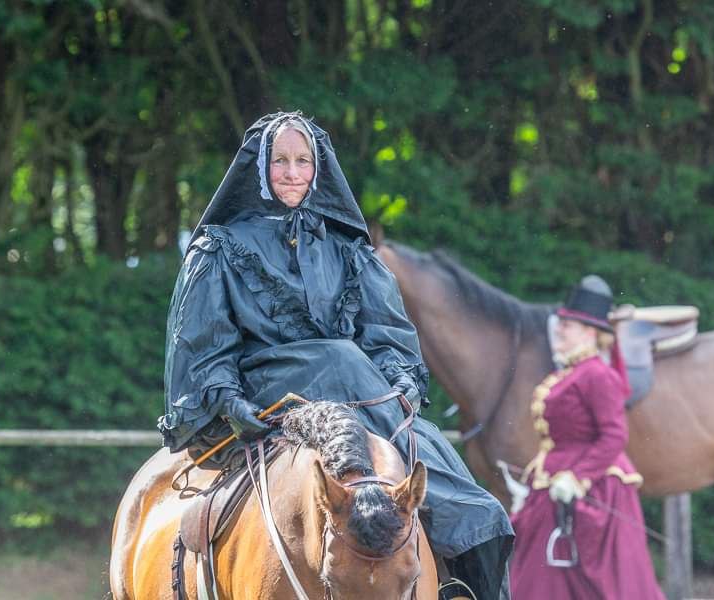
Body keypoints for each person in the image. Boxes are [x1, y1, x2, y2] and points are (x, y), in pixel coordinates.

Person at [157, 112, 513, 599]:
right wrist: (226, 399)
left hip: (365, 399)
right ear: (259, 169)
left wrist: (403, 382)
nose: (291, 171)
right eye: (280, 160)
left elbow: (387, 334)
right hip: (272, 391)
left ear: (318, 169)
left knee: (478, 506)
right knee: (341, 357)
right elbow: (202, 344)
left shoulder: (349, 250)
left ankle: (463, 573)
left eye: (303, 160)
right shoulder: (219, 249)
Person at [509, 275, 665, 599]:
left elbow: (614, 435)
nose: (561, 328)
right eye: (563, 322)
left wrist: (578, 478)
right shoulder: (567, 373)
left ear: (590, 333)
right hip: (554, 485)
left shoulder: (597, 374)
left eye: (570, 324)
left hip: (593, 490)